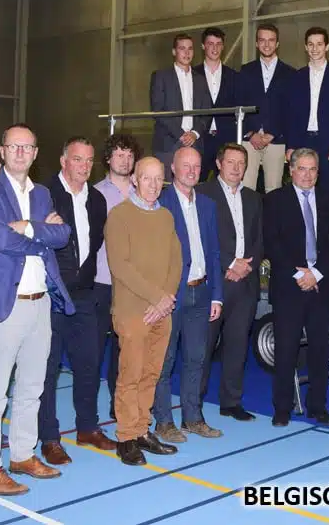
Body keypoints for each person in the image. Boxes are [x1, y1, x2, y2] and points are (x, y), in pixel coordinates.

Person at [0, 123, 75, 495]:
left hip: (40, 303)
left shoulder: (42, 193)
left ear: (36, 153)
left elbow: (63, 235)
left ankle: (22, 454)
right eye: (14, 147)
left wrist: (26, 226)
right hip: (2, 304)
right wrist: (41, 233)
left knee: (32, 387)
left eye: (27, 147)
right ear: (3, 150)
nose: (21, 153)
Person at [38, 137, 116, 466]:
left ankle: (87, 427)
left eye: (88, 160)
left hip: (85, 294)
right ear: (63, 161)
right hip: (51, 294)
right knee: (47, 368)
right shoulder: (43, 194)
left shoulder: (97, 200)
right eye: (77, 159)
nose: (84, 166)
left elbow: (94, 243)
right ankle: (49, 437)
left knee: (88, 363)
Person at [105, 157, 182, 466]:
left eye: (158, 178)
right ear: (135, 179)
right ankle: (126, 437)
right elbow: (119, 265)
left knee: (152, 373)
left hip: (162, 311)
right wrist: (156, 297)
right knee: (131, 374)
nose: (152, 184)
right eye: (146, 178)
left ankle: (141, 430)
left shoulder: (165, 216)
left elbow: (176, 260)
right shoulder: (119, 215)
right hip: (132, 310)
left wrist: (166, 298)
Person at [263, 148, 329, 427]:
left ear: (318, 173)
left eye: (313, 169)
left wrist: (317, 274)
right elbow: (271, 243)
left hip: (321, 287)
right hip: (289, 287)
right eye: (302, 169)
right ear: (291, 170)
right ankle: (282, 408)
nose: (307, 175)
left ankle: (317, 406)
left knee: (320, 350)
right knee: (286, 351)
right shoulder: (275, 200)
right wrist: (298, 275)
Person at [153, 147, 224, 442]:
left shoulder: (207, 205)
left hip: (202, 293)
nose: (192, 171)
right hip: (171, 296)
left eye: (196, 166)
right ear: (173, 168)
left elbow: (214, 252)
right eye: (186, 165)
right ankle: (163, 422)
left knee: (196, 359)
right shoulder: (160, 203)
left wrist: (217, 295)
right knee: (164, 360)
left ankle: (193, 418)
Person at [198, 143, 263, 421]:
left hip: (245, 284)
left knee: (237, 347)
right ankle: (194, 404)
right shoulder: (203, 193)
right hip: (215, 282)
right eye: (231, 162)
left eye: (241, 163)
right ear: (219, 163)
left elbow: (260, 238)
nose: (236, 168)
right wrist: (229, 263)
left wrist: (247, 266)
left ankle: (231, 402)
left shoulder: (254, 198)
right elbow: (200, 236)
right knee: (203, 348)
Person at [94, 133, 143, 420]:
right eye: (119, 155)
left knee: (126, 350)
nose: (125, 160)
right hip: (103, 281)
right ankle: (87, 414)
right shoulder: (96, 194)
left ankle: (120, 404)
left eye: (129, 155)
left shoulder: (145, 192)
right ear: (108, 158)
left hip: (134, 285)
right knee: (95, 349)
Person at [285, 27, 329, 198]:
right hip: (302, 140)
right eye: (311, 44)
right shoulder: (296, 77)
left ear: (327, 47)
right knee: (300, 188)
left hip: (328, 142)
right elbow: (291, 114)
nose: (315, 49)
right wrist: (290, 145)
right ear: (305, 47)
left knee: (327, 191)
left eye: (319, 44)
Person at [236, 23, 296, 192]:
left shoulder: (290, 73)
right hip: (250, 140)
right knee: (246, 189)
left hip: (276, 140)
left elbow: (291, 110)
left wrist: (273, 134)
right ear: (256, 43)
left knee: (274, 190)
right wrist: (251, 133)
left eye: (271, 40)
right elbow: (239, 104)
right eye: (262, 40)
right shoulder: (245, 71)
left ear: (277, 44)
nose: (266, 44)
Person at [150, 33, 213, 180]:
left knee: (192, 187)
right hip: (168, 143)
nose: (186, 53)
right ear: (174, 51)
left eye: (190, 49)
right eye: (182, 48)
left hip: (194, 142)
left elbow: (207, 112)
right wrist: (181, 134)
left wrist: (194, 133)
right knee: (166, 186)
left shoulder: (201, 80)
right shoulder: (161, 76)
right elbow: (157, 110)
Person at [193, 27, 238, 182]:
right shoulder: (191, 75)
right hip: (200, 138)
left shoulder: (233, 76)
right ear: (203, 46)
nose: (215, 48)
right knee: (197, 182)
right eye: (210, 43)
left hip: (225, 139)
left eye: (218, 44)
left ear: (223, 46)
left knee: (226, 184)